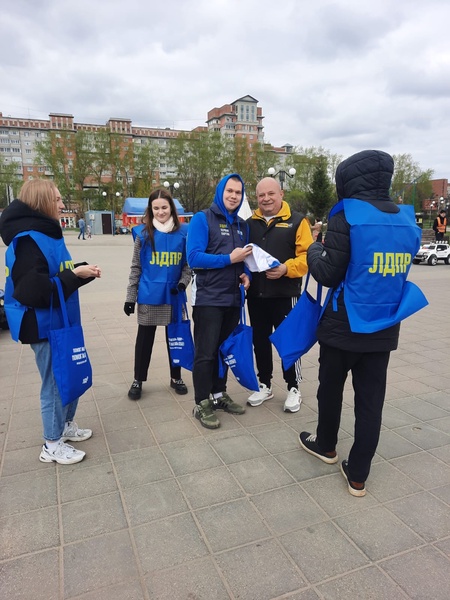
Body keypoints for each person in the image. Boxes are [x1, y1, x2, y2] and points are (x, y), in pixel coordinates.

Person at [299, 150, 428, 497]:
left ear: (348, 180)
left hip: (343, 327)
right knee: (371, 404)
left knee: (330, 390)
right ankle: (358, 474)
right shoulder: (406, 219)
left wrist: (313, 247)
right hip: (384, 327)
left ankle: (326, 444)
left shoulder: (347, 216)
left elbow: (326, 272)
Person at [0, 180, 101, 465]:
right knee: (55, 383)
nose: (61, 205)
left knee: (68, 374)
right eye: (56, 200)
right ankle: (52, 443)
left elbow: (55, 274)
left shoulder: (46, 234)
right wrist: (73, 276)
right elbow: (32, 291)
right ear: (42, 202)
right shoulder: (29, 240)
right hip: (41, 324)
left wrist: (81, 272)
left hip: (58, 320)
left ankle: (65, 426)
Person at [187, 174, 252, 429]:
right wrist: (229, 259)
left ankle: (218, 394)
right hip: (208, 300)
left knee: (223, 351)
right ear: (220, 191)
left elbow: (240, 261)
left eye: (238, 192)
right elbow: (194, 258)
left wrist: (244, 275)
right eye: (230, 191)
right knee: (205, 353)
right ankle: (201, 402)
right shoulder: (202, 219)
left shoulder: (242, 225)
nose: (234, 196)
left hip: (232, 299)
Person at [246, 177, 313, 412]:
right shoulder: (249, 223)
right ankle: (264, 384)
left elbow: (308, 258)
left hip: (286, 294)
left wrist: (286, 269)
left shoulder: (297, 221)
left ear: (281, 193)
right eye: (261, 195)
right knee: (260, 342)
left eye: (271, 194)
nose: (266, 199)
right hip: (256, 296)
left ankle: (294, 387)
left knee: (288, 342)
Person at [124, 188, 191, 400]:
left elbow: (188, 265)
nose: (161, 212)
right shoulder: (143, 235)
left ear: (171, 207)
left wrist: (182, 284)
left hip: (173, 295)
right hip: (149, 295)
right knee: (144, 341)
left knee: (175, 338)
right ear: (150, 210)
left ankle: (176, 377)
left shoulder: (184, 233)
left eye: (164, 207)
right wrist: (130, 298)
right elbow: (136, 268)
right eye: (156, 208)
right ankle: (138, 379)